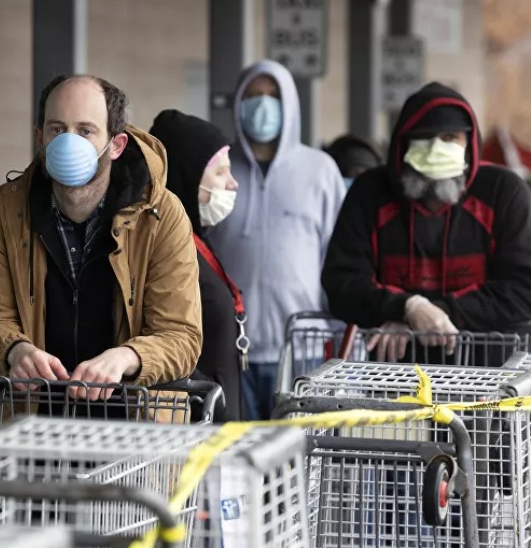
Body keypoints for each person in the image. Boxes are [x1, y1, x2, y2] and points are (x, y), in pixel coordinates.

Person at [0, 75, 202, 403]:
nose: (68, 142)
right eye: (57, 129)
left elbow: (181, 336)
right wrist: (14, 351)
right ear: (40, 138)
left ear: (116, 145)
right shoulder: (7, 210)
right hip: (37, 422)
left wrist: (125, 358)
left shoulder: (160, 215)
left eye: (85, 130)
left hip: (134, 429)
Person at [322, 82, 531, 365]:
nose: (436, 148)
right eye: (424, 137)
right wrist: (408, 307)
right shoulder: (370, 193)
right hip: (396, 379)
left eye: (449, 137)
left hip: (488, 380)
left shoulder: (503, 193)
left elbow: (522, 287)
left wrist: (430, 314)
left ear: (469, 143)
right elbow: (342, 282)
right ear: (403, 143)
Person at [206, 60, 345, 420]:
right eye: (253, 96)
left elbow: (338, 259)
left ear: (290, 105)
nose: (263, 105)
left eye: (273, 96)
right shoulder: (218, 168)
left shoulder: (320, 170)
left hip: (304, 349)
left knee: (302, 458)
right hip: (233, 350)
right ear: (238, 104)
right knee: (240, 458)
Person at [150, 110, 245, 422]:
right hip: (196, 431)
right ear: (187, 176)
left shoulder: (196, 240)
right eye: (221, 174)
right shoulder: (167, 251)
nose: (233, 184)